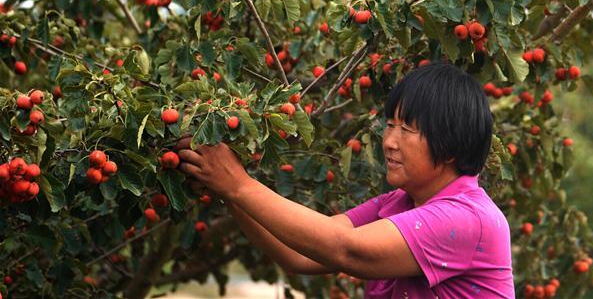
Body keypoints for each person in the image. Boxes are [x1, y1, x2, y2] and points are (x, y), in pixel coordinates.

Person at [175, 61, 514, 298]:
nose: (389, 141)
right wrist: (229, 190)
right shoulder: (398, 203)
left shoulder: (469, 219)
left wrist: (237, 183)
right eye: (390, 125)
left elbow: (346, 250)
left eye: (406, 129)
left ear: (451, 145)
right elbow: (302, 255)